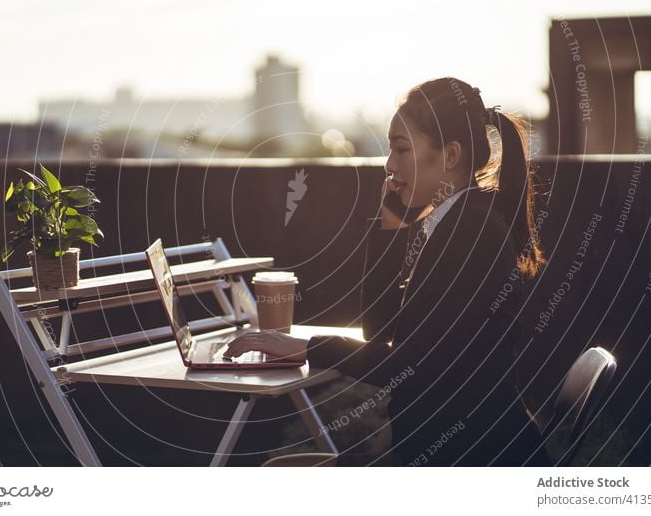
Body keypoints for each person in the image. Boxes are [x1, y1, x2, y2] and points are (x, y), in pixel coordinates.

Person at [225, 77, 550, 466]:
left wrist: (303, 347)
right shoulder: (459, 220)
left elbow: (409, 367)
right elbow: (380, 332)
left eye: (400, 149)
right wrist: (390, 229)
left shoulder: (469, 232)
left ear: (449, 156)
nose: (389, 165)